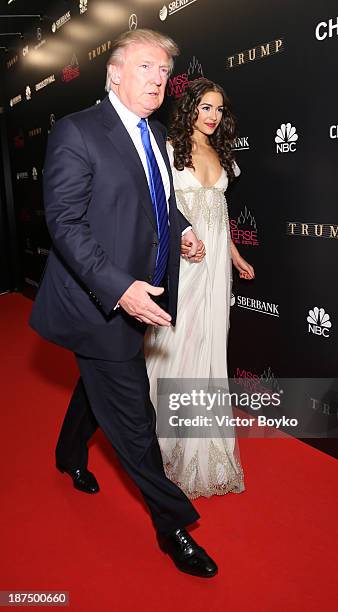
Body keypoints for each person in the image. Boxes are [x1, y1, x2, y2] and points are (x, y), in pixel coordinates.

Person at [29, 29, 218, 578]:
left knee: (99, 385)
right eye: (145, 68)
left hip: (141, 294)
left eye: (164, 72)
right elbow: (64, 221)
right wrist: (118, 288)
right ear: (114, 73)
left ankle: (68, 454)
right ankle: (173, 526)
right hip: (101, 304)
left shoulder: (156, 134)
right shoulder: (77, 132)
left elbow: (152, 200)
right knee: (135, 418)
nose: (158, 80)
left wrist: (179, 229)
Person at [145, 78, 255, 499]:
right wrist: (181, 241)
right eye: (205, 107)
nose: (212, 117)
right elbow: (162, 209)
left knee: (209, 347)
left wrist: (234, 255)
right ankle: (164, 442)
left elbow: (220, 212)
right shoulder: (170, 150)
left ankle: (202, 445)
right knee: (179, 344)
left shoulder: (222, 153)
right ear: (190, 107)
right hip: (185, 264)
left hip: (215, 270)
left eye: (219, 110)